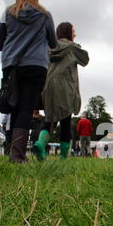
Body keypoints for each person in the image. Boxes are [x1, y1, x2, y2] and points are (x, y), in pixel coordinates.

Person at [0, 0, 57, 163]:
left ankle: (13, 153)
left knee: (13, 105)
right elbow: (54, 42)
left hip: (12, 64)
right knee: (26, 108)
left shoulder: (8, 13)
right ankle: (18, 155)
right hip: (36, 64)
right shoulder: (45, 15)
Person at [33, 22, 89, 161]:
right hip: (65, 86)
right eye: (73, 31)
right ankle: (63, 157)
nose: (75, 34)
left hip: (48, 85)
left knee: (49, 118)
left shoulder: (49, 46)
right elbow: (85, 59)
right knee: (65, 120)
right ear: (68, 32)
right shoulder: (72, 47)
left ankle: (40, 143)